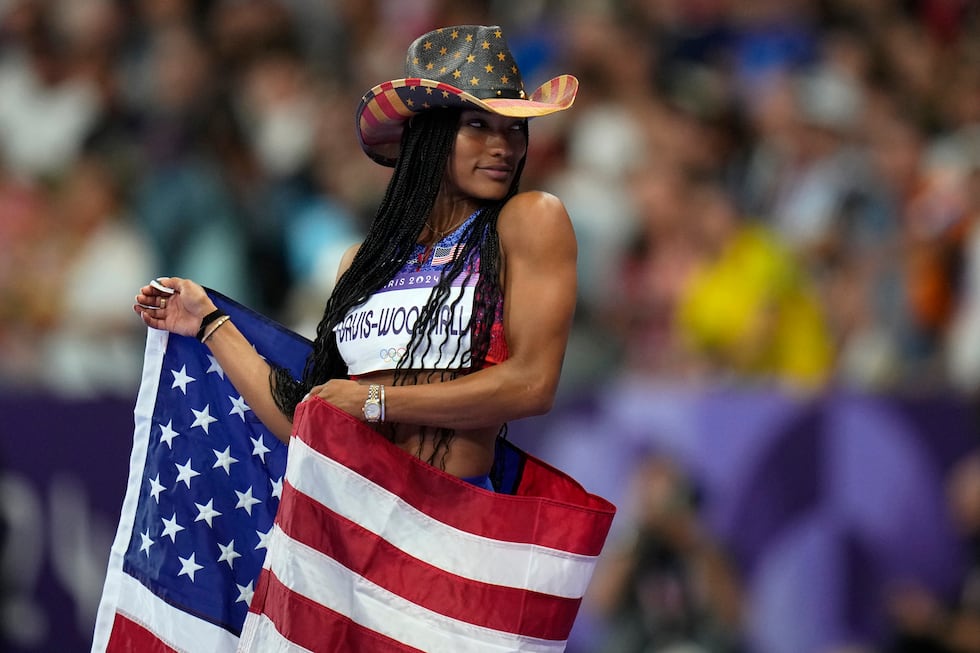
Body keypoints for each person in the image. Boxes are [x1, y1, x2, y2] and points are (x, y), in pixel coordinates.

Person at [132, 24, 579, 492]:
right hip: (348, 530)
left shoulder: (528, 221)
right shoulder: (362, 263)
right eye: (477, 125)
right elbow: (310, 420)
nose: (503, 147)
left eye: (515, 129)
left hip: (454, 532)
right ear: (427, 135)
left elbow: (533, 384)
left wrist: (375, 401)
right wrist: (209, 322)